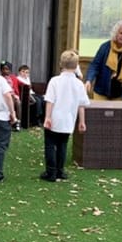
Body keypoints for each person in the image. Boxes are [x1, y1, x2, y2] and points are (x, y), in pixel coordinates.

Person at [40, 50, 89, 182]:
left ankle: (51, 172)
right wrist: (82, 121)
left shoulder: (55, 81)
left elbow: (50, 100)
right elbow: (82, 104)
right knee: (62, 145)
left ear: (61, 64)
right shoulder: (79, 84)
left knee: (50, 145)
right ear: (76, 65)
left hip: (55, 118)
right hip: (68, 120)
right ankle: (60, 171)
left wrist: (47, 117)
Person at [84, 20, 122, 100]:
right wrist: (89, 80)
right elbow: (95, 65)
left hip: (121, 95)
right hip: (101, 92)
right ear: (116, 33)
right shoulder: (105, 47)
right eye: (121, 33)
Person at [0, 60, 22, 131]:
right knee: (11, 98)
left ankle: (18, 121)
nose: (5, 71)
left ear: (10, 70)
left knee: (18, 102)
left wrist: (28, 86)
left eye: (7, 69)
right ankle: (13, 120)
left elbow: (21, 83)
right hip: (3, 97)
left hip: (13, 96)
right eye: (3, 69)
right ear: (1, 70)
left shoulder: (13, 78)